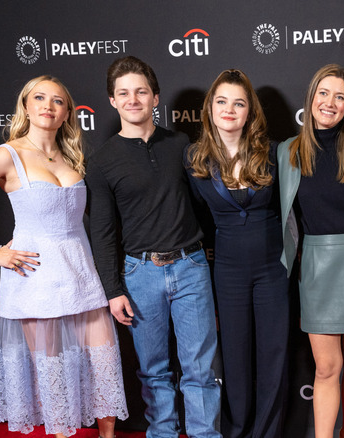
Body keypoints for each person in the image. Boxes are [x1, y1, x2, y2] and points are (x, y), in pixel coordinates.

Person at [0, 75, 128, 437]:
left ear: (67, 112)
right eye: (39, 98)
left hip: (81, 274)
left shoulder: (72, 155)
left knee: (104, 364)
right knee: (55, 375)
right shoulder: (8, 155)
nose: (48, 106)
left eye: (58, 101)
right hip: (35, 279)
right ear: (26, 107)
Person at [86, 56, 221, 437]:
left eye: (141, 91)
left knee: (199, 369)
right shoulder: (101, 162)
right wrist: (113, 291)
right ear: (112, 101)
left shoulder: (180, 145)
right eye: (124, 93)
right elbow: (102, 232)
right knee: (154, 370)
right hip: (140, 275)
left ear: (155, 97)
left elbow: (204, 206)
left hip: (191, 267)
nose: (133, 99)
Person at [277, 64, 344, 438]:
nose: (330, 102)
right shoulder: (289, 151)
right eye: (324, 93)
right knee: (326, 367)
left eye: (339, 96)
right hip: (316, 268)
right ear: (311, 97)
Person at [185, 69, 289, 438]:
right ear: (210, 108)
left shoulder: (274, 153)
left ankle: (267, 433)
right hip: (227, 271)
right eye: (222, 101)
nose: (230, 109)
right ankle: (238, 431)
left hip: (272, 271)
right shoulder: (194, 159)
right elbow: (197, 215)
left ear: (250, 113)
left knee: (273, 356)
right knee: (236, 359)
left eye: (239, 103)